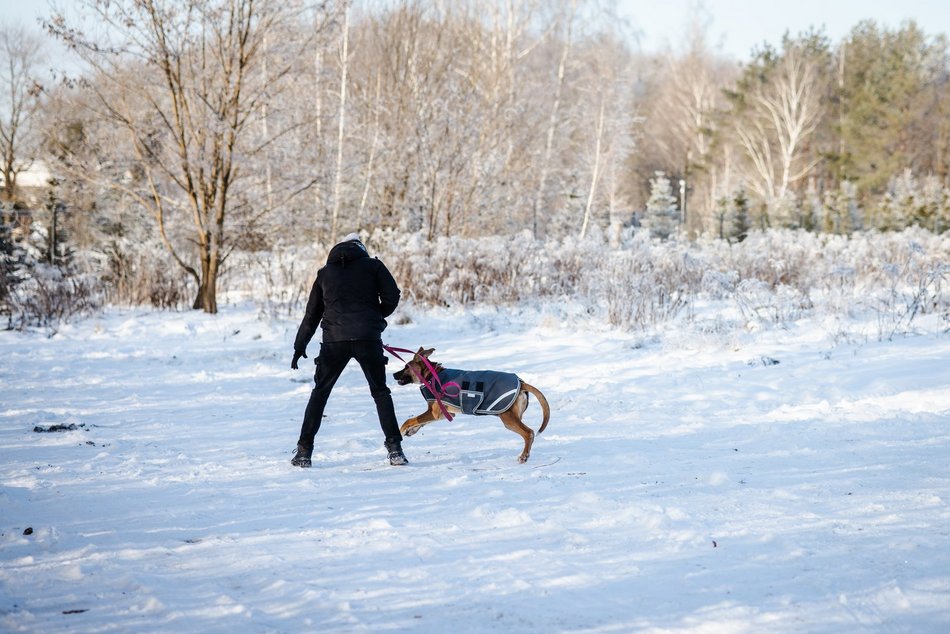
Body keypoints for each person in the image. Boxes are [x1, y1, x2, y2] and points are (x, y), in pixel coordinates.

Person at [290, 233, 407, 467]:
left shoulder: (325, 273)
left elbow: (312, 314)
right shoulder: (373, 266)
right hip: (367, 338)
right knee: (380, 393)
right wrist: (375, 317)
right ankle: (395, 451)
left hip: (334, 340)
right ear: (361, 247)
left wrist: (299, 345)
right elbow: (392, 296)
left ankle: (304, 452)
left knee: (320, 393)